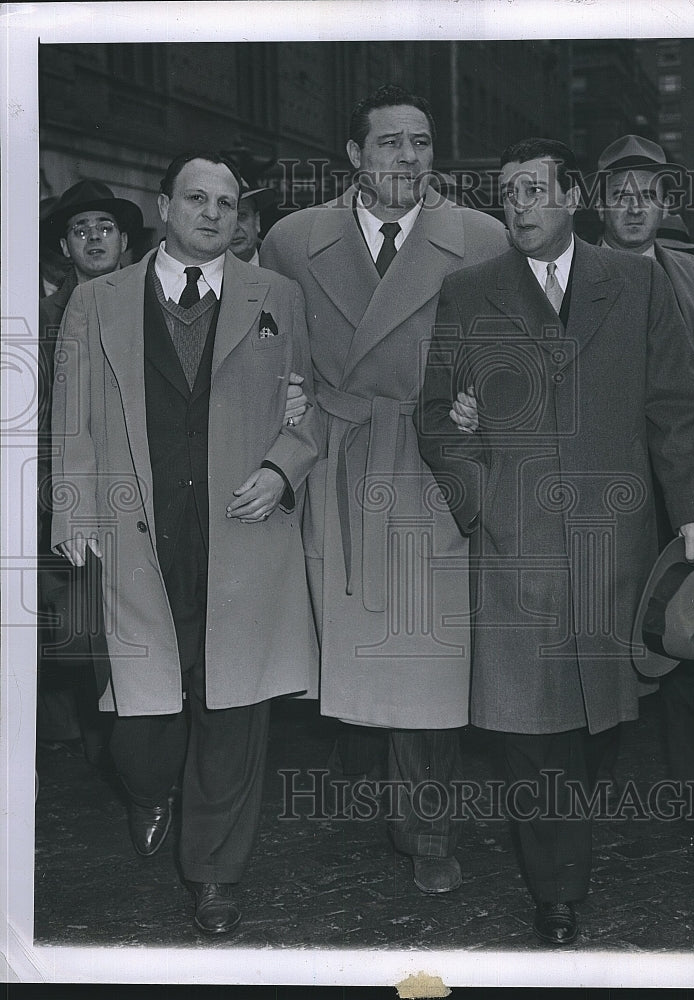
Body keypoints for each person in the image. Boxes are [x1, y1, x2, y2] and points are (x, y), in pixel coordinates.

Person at [416, 138, 694, 945]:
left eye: (532, 190)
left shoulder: (634, 283)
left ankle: (566, 850)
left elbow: (676, 404)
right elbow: (437, 418)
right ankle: (557, 888)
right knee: (530, 731)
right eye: (506, 192)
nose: (517, 205)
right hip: (514, 549)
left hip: (614, 545)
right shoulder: (468, 292)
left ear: (572, 196)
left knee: (599, 724)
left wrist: (693, 507)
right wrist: (481, 507)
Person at [50, 151, 320, 935]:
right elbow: (70, 416)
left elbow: (308, 410)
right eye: (196, 198)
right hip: (134, 532)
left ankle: (214, 876)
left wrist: (282, 467)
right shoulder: (97, 302)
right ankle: (145, 790)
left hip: (241, 532)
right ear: (164, 205)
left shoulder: (279, 297)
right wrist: (71, 512)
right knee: (142, 724)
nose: (212, 213)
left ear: (239, 217)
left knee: (233, 710)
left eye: (227, 203)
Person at [260, 84, 509, 894]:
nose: (409, 157)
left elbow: (514, 353)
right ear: (354, 158)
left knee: (428, 652)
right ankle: (363, 774)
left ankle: (427, 826)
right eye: (391, 143)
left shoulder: (479, 238)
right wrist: (284, 403)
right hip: (336, 454)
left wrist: (484, 404)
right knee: (349, 644)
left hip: (429, 455)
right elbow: (273, 347)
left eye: (422, 143)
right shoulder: (294, 240)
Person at [592, 134, 694, 830]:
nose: (632, 207)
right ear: (598, 202)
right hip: (607, 491)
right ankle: (589, 790)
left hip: (691, 490)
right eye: (618, 194)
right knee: (600, 637)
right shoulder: (573, 277)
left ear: (665, 203)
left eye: (646, 194)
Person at [38, 180, 144, 762]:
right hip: (70, 497)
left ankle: (134, 750)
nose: (94, 238)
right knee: (81, 629)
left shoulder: (152, 305)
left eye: (104, 227)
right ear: (65, 246)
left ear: (125, 240)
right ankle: (101, 739)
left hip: (143, 492)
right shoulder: (43, 320)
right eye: (81, 230)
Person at [229, 185, 277, 265]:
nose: (235, 228)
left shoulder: (282, 267)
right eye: (227, 219)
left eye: (242, 215)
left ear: (257, 221)